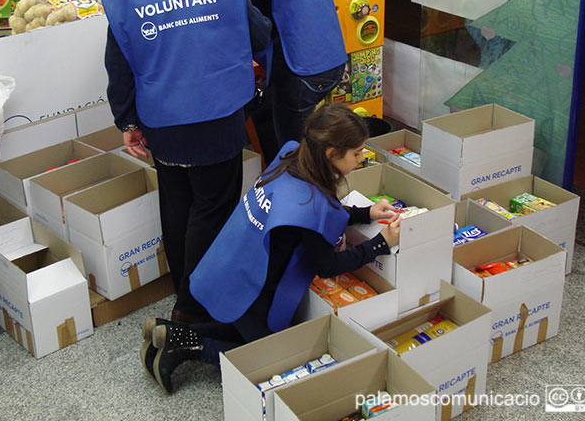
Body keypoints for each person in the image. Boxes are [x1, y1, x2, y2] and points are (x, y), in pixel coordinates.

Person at [140, 103, 401, 393]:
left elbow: (329, 209)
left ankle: (168, 332)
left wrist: (365, 214)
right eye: (356, 153)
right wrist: (380, 243)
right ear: (330, 154)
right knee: (276, 359)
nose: (361, 158)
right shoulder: (307, 205)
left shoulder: (291, 156)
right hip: (253, 292)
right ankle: (190, 347)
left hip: (231, 270)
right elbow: (328, 265)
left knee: (244, 331)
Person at [101, 0, 271, 324]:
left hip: (163, 124)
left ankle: (184, 291)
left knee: (177, 206)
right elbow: (262, 35)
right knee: (213, 209)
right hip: (218, 119)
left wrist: (127, 124)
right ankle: (193, 310)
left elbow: (119, 68)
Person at [220, 0, 348, 164]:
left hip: (300, 71)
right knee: (269, 114)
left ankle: (299, 192)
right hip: (333, 61)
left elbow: (255, 28)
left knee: (292, 153)